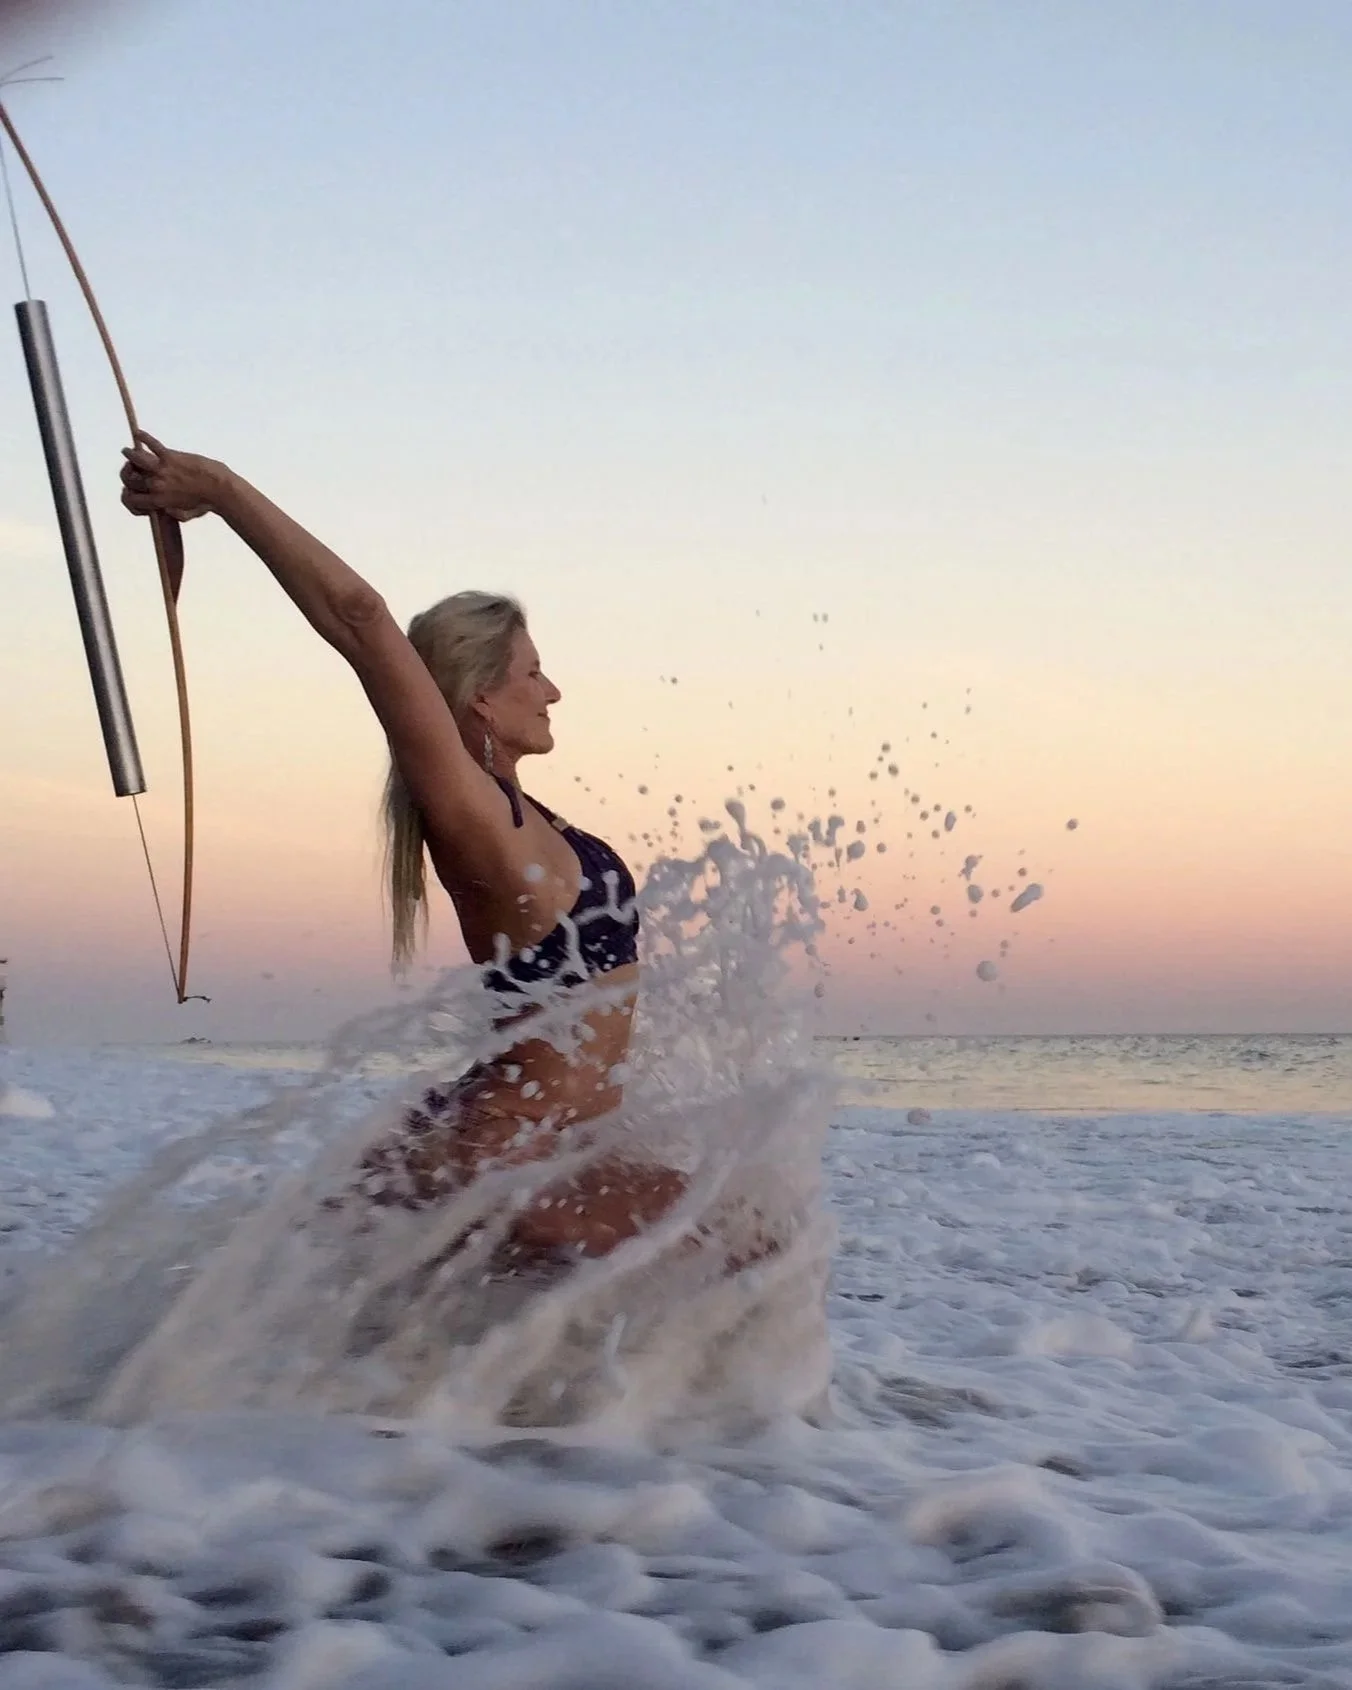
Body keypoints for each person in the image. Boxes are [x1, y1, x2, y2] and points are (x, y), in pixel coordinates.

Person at [120, 432, 685, 1258]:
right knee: (750, 1235)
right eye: (533, 671)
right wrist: (221, 489)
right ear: (482, 697)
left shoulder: (526, 817)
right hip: (506, 1157)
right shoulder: (472, 816)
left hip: (527, 1145)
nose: (553, 689)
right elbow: (359, 619)